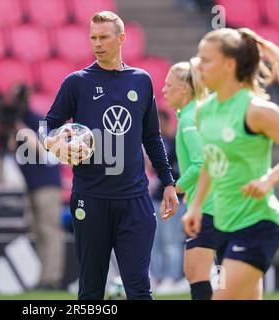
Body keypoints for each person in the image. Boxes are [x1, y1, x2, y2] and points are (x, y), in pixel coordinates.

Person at [39, 11, 179, 300]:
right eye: (93, 38)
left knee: (139, 288)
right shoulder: (77, 82)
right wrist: (54, 143)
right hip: (90, 198)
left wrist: (168, 182)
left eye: (104, 37)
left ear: (122, 38)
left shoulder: (141, 81)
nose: (97, 44)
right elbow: (47, 126)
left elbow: (152, 137)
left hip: (135, 201)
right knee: (90, 289)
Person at [184, 28, 279, 299]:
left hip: (257, 225)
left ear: (229, 64)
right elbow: (212, 161)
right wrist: (196, 205)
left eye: (206, 59)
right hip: (224, 226)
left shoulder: (257, 110)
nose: (198, 65)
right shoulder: (203, 110)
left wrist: (269, 179)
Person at [0, 83, 65, 290]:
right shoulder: (13, 126)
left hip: (47, 185)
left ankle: (52, 278)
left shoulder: (36, 121)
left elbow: (43, 152)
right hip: (32, 186)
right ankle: (43, 277)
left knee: (49, 231)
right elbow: (6, 156)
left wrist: (21, 129)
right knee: (38, 232)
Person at [162, 59, 216, 299]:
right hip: (207, 205)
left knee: (197, 272)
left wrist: (175, 189)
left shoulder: (187, 120)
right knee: (197, 272)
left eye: (168, 85)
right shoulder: (192, 114)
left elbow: (200, 163)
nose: (163, 90)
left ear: (185, 88)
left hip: (209, 207)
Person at [150, 110, 187, 294]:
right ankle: (157, 278)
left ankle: (172, 278)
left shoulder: (176, 142)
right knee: (155, 242)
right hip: (157, 198)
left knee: (170, 241)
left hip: (175, 198)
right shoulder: (160, 143)